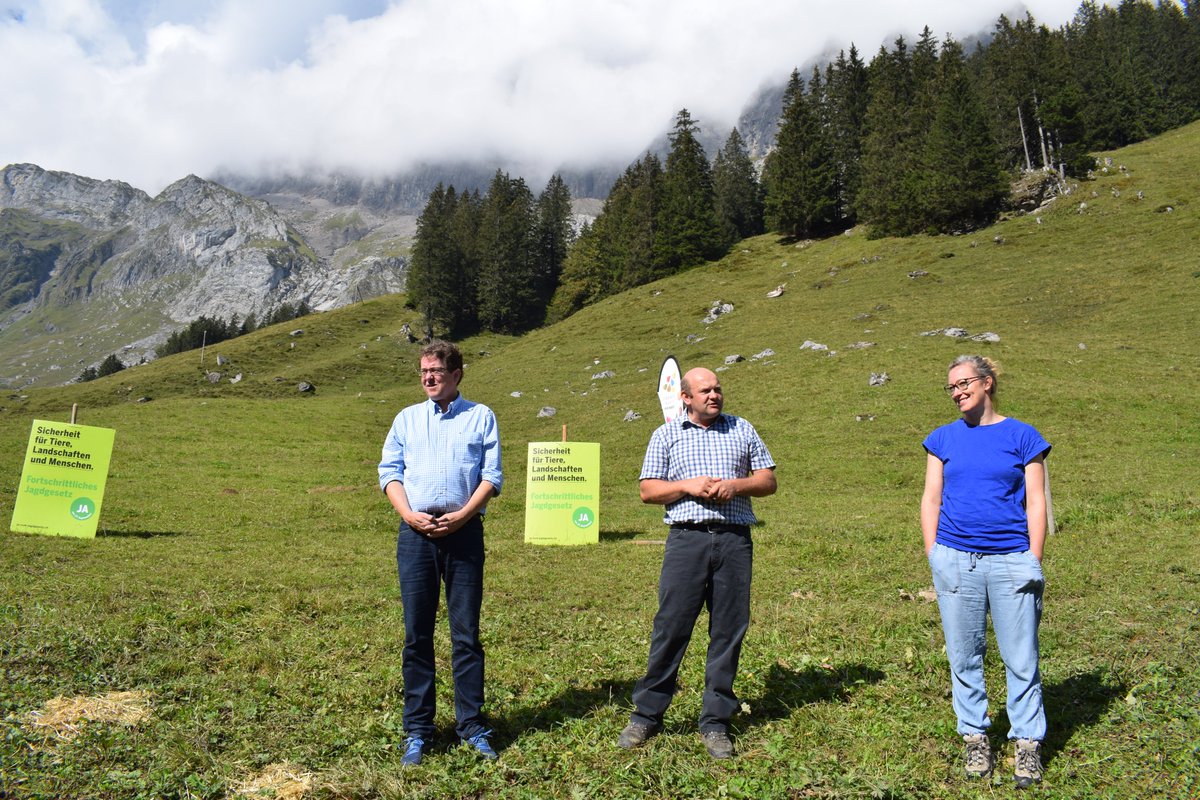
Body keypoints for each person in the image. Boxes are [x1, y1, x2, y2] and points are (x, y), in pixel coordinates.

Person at [619, 367, 777, 759]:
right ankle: (647, 714)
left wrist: (734, 485)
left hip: (733, 540)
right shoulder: (666, 434)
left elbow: (768, 480)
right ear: (685, 398)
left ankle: (716, 722)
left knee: (728, 630)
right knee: (671, 626)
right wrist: (687, 486)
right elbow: (647, 490)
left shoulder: (742, 429)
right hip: (686, 541)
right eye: (705, 390)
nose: (715, 395)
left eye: (718, 389)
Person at [920, 355, 1051, 788]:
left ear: (987, 383)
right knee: (964, 655)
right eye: (951, 386)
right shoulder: (942, 439)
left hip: (1012, 560)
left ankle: (1027, 743)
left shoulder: (1023, 436)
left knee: (1021, 658)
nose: (957, 392)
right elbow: (931, 500)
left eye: (964, 383)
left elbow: (1036, 501)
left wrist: (1032, 556)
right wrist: (934, 554)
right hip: (957, 560)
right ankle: (975, 735)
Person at [378, 340, 503, 766]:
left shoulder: (480, 416)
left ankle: (472, 725)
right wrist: (409, 515)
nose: (428, 378)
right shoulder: (407, 419)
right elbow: (389, 472)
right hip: (415, 536)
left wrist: (465, 515)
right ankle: (418, 728)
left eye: (436, 371)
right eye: (423, 372)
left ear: (457, 375)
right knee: (417, 636)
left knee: (466, 635)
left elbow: (492, 475)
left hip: (463, 533)